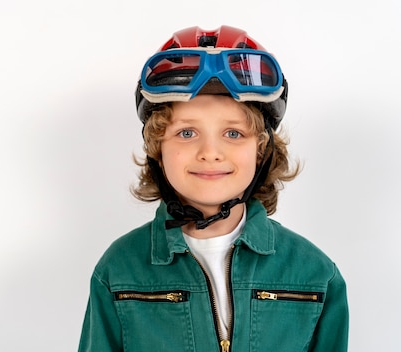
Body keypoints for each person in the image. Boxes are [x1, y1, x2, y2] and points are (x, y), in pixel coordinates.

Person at [78, 25, 349, 352]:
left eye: (233, 134)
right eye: (187, 133)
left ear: (261, 150)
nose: (210, 152)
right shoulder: (119, 270)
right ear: (157, 150)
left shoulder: (315, 273)